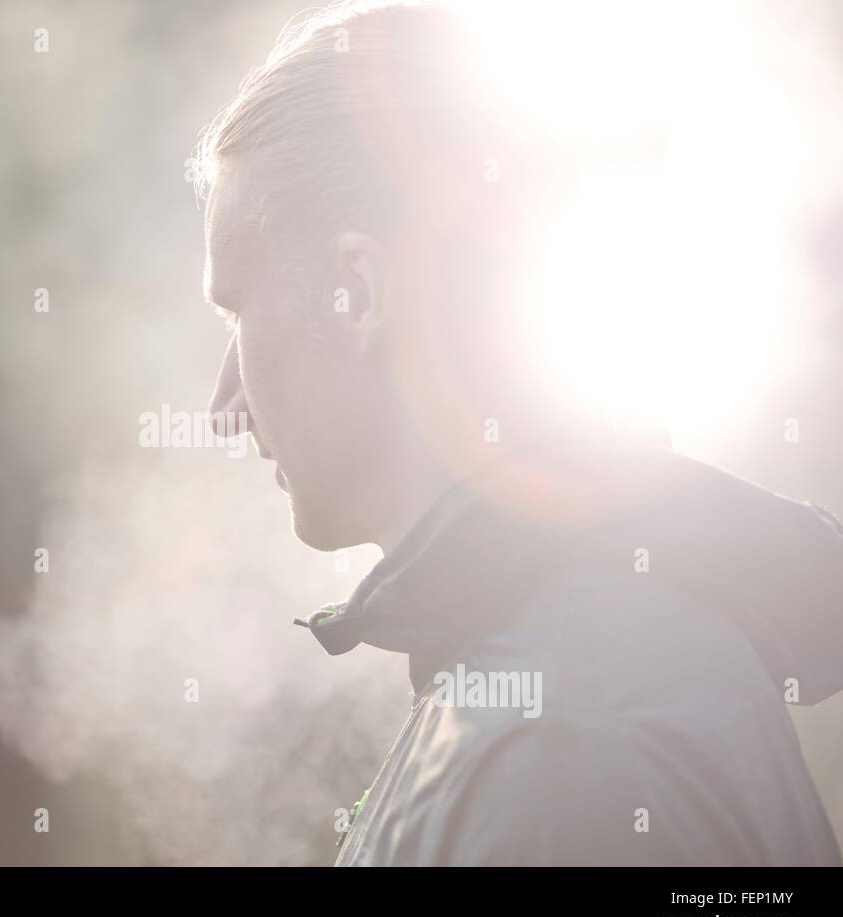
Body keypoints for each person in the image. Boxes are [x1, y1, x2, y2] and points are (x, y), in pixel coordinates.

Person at [193, 0, 843, 865]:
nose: (222, 404)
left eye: (235, 309)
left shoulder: (558, 752)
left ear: (357, 291)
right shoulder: (554, 684)